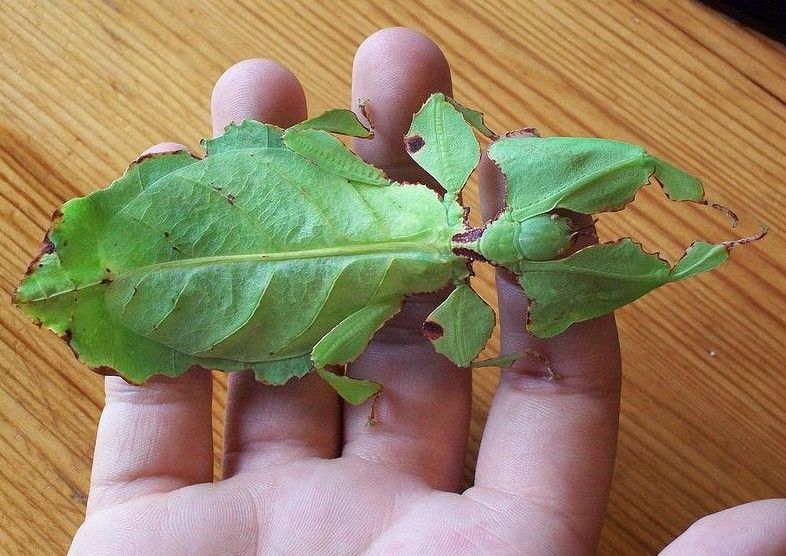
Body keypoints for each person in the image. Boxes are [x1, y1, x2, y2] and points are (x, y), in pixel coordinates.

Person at [68, 27, 785, 555]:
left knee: (323, 344)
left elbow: (381, 343)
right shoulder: (459, 300)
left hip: (248, 260)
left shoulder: (446, 198)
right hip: (170, 259)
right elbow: (464, 348)